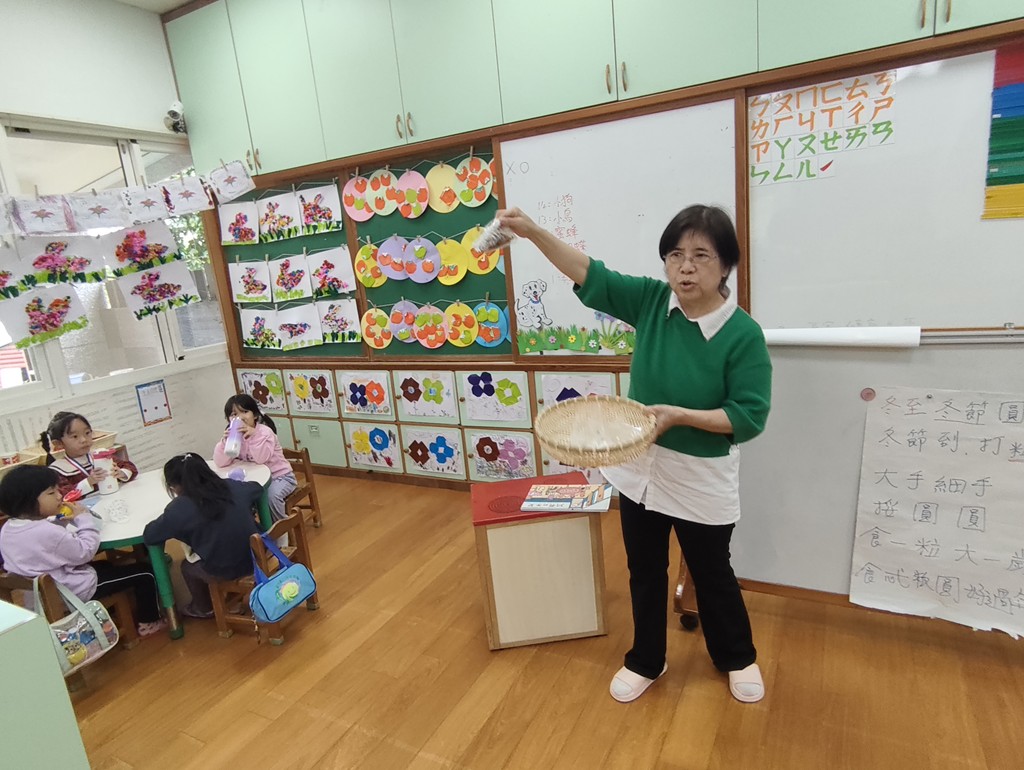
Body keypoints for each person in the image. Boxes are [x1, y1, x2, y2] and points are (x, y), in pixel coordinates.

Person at [497, 204, 772, 704]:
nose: (685, 268)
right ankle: (647, 659)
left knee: (712, 573)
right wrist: (533, 232)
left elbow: (748, 416)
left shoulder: (742, 334)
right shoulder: (650, 300)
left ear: (726, 266)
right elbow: (589, 273)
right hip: (638, 471)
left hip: (700, 476)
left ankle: (736, 656)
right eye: (675, 255)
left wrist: (680, 415)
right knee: (644, 570)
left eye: (701, 256)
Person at [0, 464, 166, 636]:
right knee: (145, 573)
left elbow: (44, 546)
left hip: (37, 595)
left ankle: (110, 610)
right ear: (27, 501)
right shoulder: (46, 532)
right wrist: (84, 519)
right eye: (51, 493)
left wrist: (61, 522)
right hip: (69, 592)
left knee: (106, 565)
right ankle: (149, 622)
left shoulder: (8, 529)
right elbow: (85, 552)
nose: (59, 496)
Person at [143, 453, 263, 619]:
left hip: (228, 568)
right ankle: (230, 599)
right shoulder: (230, 486)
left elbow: (150, 535)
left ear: (175, 486)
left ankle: (204, 608)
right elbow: (257, 488)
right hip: (259, 553)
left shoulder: (179, 509)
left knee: (187, 567)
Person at [213, 394, 296, 523]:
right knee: (237, 498)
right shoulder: (233, 435)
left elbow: (261, 459)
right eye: (234, 414)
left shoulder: (265, 432)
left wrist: (254, 436)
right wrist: (225, 442)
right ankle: (253, 529)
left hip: (280, 477)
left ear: (255, 415)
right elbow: (220, 462)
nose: (240, 417)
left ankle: (281, 528)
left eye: (245, 412)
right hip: (253, 480)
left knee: (270, 497)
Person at [41, 412, 138, 498]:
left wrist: (121, 473)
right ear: (58, 443)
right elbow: (62, 495)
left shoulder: (100, 455)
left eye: (87, 433)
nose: (84, 440)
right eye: (75, 436)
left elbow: (131, 468)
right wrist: (88, 482)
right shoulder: (58, 470)